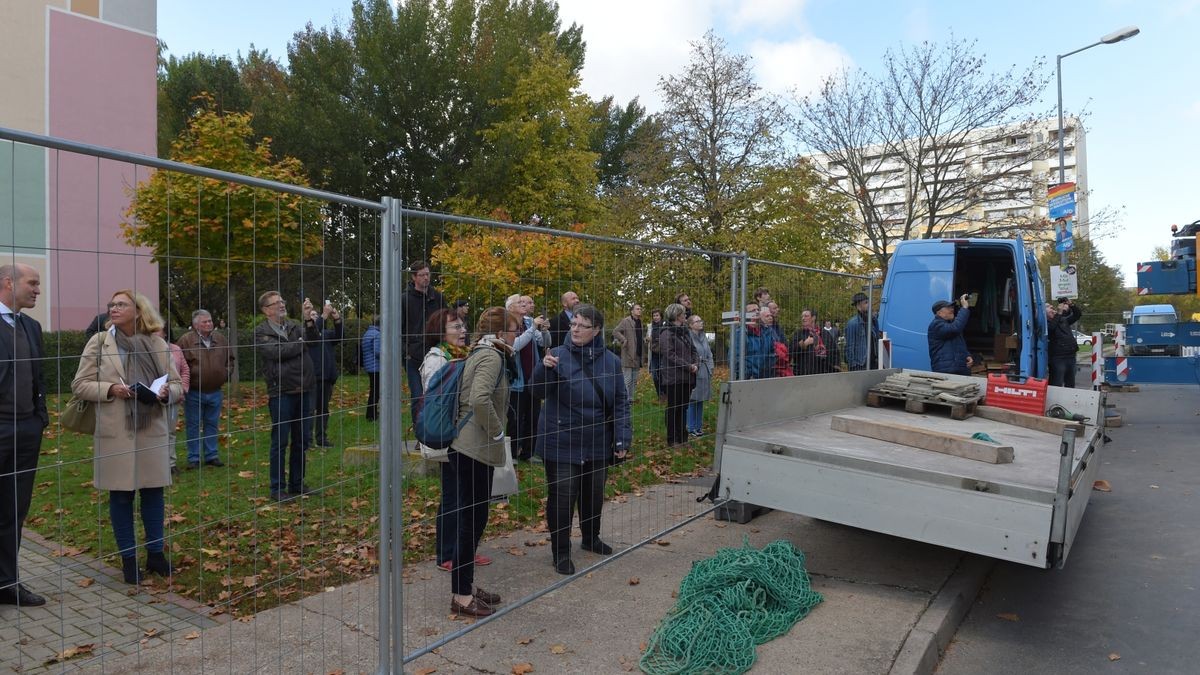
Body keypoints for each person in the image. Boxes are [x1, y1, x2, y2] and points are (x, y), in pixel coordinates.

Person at [72, 290, 183, 584]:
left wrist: (164, 393)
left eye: (121, 304)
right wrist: (111, 389)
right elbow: (80, 384)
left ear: (138, 311)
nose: (113, 308)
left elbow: (177, 385)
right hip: (116, 432)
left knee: (153, 493)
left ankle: (156, 555)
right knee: (121, 496)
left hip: (151, 430)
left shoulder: (157, 343)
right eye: (111, 304)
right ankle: (129, 560)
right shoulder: (99, 342)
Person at [531, 304, 631, 576]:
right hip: (562, 439)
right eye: (573, 324)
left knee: (593, 493)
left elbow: (621, 401)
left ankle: (591, 538)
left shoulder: (611, 361)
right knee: (562, 497)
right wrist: (544, 369)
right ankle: (560, 551)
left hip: (598, 439)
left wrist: (622, 438)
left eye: (582, 325)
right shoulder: (557, 355)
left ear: (597, 330)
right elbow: (537, 391)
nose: (575, 329)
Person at [446, 307, 517, 617]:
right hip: (473, 449)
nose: (517, 335)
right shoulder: (491, 357)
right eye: (514, 329)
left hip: (470, 449)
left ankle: (466, 585)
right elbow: (478, 399)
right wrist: (498, 430)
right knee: (470, 523)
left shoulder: (481, 353)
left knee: (473, 520)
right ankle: (461, 596)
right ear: (500, 333)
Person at [419, 309, 494, 573]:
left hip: (465, 437)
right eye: (455, 327)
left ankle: (464, 552)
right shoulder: (436, 359)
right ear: (441, 332)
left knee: (467, 497)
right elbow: (438, 401)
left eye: (463, 326)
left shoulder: (465, 356)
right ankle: (446, 553)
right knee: (452, 496)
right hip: (448, 436)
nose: (463, 331)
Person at [0, 264, 49, 606]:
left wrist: (38, 419)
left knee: (14, 509)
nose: (37, 290)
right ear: (7, 282)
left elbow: (38, 377)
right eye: (32, 283)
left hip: (27, 430)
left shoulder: (31, 326)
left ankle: (7, 583)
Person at [254, 291, 319, 502]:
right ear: (266, 310)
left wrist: (308, 319)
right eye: (276, 303)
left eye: (282, 301)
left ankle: (297, 484)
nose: (282, 304)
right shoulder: (260, 332)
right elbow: (276, 353)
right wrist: (300, 344)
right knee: (280, 442)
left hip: (304, 389)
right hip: (281, 392)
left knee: (301, 441)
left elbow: (313, 341)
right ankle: (277, 488)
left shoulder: (294, 325)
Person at [176, 309, 233, 468]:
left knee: (212, 423)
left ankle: (211, 455)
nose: (209, 324)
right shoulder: (185, 341)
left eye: (210, 321)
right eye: (204, 322)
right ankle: (193, 458)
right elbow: (180, 364)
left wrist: (225, 374)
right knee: (193, 425)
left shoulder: (221, 339)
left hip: (215, 391)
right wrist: (186, 383)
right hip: (194, 392)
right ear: (195, 325)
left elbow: (230, 359)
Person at [505, 294, 549, 462]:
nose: (524, 304)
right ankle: (513, 452)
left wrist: (543, 331)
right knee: (515, 418)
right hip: (517, 380)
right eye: (520, 302)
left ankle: (528, 453)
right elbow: (514, 346)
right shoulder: (508, 324)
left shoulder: (529, 322)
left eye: (525, 302)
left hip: (533, 377)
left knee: (534, 416)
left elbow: (543, 342)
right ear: (510, 308)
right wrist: (533, 330)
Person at [401, 261, 447, 422]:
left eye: (428, 274)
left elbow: (446, 322)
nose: (426, 278)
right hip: (413, 356)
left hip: (437, 352)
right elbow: (399, 328)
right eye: (422, 275)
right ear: (414, 277)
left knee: (438, 393)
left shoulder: (438, 298)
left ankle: (435, 428)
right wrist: (405, 351)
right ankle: (420, 431)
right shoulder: (404, 300)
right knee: (417, 395)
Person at [304, 300, 343, 448]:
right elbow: (313, 332)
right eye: (312, 315)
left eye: (316, 315)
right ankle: (307, 441)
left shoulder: (326, 334)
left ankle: (321, 439)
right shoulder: (305, 334)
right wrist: (324, 316)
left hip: (327, 377)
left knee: (323, 410)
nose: (315, 317)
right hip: (312, 378)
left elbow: (340, 336)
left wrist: (337, 319)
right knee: (309, 410)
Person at [658, 303, 698, 447]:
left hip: (687, 376)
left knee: (683, 407)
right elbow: (669, 354)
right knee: (673, 408)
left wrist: (695, 363)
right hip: (673, 377)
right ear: (676, 315)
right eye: (683, 313)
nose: (685, 315)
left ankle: (683, 437)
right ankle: (672, 439)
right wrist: (688, 366)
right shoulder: (666, 332)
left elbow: (693, 350)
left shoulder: (685, 331)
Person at [159, 328, 189, 475]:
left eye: (159, 330)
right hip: (152, 397)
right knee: (154, 432)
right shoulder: (143, 349)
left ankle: (171, 463)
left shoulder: (175, 349)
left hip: (172, 396)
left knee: (170, 431)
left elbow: (184, 370)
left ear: (165, 332)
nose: (156, 333)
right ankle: (156, 463)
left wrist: (181, 389)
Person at [928, 296, 973, 376]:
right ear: (939, 313)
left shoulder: (951, 324)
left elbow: (957, 343)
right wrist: (964, 308)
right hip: (946, 372)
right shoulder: (936, 325)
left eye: (952, 307)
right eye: (948, 308)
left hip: (959, 369)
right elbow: (955, 329)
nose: (952, 309)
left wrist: (967, 355)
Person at [686, 314, 714, 437]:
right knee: (693, 399)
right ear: (691, 325)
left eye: (700, 320)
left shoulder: (703, 336)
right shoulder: (688, 337)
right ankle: (691, 427)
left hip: (705, 371)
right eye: (697, 321)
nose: (701, 322)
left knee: (700, 400)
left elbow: (709, 354)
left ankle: (698, 426)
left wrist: (711, 368)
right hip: (694, 370)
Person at [1046, 298, 1083, 388]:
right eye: (1049, 307)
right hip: (1058, 358)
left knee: (1070, 383)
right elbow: (1051, 328)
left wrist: (1071, 304)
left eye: (1053, 308)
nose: (1053, 309)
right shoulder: (1045, 324)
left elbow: (1077, 315)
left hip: (1071, 356)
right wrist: (1058, 313)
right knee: (1057, 383)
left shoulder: (1063, 320)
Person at [612, 304, 645, 401]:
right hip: (628, 353)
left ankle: (630, 398)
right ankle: (623, 399)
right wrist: (624, 340)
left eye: (640, 309)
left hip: (638, 354)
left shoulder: (640, 322)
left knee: (634, 380)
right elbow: (615, 331)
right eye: (637, 309)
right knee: (627, 379)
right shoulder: (626, 321)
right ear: (632, 311)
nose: (639, 310)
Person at [791, 308, 836, 375]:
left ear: (813, 318)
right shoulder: (798, 334)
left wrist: (835, 367)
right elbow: (791, 351)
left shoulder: (824, 333)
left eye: (806, 316)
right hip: (804, 373)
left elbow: (834, 350)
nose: (803, 318)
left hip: (824, 372)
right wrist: (805, 344)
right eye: (802, 316)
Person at [845, 292, 882, 371]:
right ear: (858, 306)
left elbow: (877, 339)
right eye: (865, 303)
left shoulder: (873, 320)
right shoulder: (852, 323)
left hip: (874, 362)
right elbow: (849, 346)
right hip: (860, 364)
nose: (868, 305)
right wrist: (853, 366)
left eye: (868, 302)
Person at [361, 318, 381, 421]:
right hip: (376, 367)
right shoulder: (377, 334)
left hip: (370, 366)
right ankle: (372, 415)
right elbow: (378, 352)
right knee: (376, 392)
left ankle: (371, 413)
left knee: (374, 390)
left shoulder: (368, 332)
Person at [648, 309, 666, 397]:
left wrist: (655, 340)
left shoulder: (665, 325)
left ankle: (664, 393)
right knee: (655, 375)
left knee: (663, 374)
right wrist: (647, 339)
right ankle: (659, 394)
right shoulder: (650, 326)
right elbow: (648, 337)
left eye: (657, 315)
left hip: (663, 354)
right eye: (654, 316)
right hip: (654, 353)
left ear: (661, 316)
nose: (655, 317)